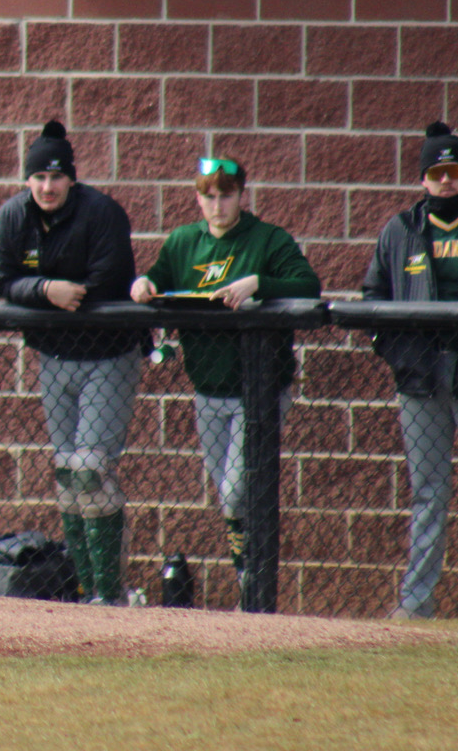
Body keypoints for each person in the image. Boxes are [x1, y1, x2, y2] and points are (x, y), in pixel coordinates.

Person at [131, 155, 319, 589]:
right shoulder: (183, 241)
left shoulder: (267, 239)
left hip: (258, 390)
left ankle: (254, 579)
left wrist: (258, 283)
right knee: (230, 498)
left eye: (226, 195)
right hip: (207, 388)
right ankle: (246, 578)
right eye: (208, 196)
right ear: (198, 198)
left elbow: (308, 285)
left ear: (241, 195)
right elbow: (156, 278)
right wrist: (141, 284)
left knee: (238, 491)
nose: (217, 205)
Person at [361, 121, 458, 622]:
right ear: (423, 179)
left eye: (453, 171)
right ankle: (416, 601)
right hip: (421, 378)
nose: (444, 181)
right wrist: (400, 355)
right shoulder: (400, 231)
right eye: (435, 172)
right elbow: (373, 300)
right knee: (427, 492)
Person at [0, 119, 142, 606]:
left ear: (71, 178)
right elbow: (3, 280)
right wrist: (46, 290)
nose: (48, 186)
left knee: (91, 470)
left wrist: (52, 292)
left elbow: (106, 279)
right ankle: (84, 588)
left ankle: (109, 592)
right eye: (39, 178)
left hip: (107, 354)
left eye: (56, 177)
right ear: (27, 180)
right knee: (67, 474)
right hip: (53, 356)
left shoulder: (102, 212)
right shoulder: (14, 216)